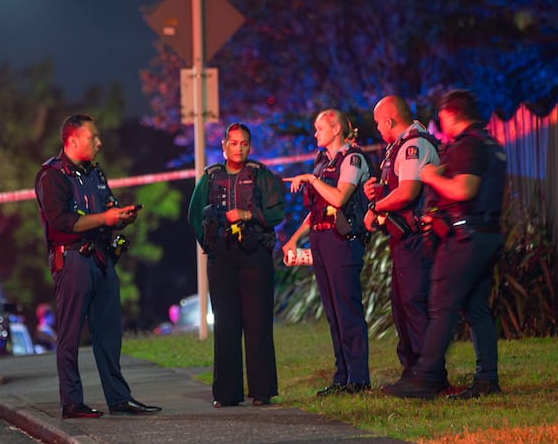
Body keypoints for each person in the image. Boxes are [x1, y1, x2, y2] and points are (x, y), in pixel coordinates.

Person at [383, 89, 507, 400]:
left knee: (441, 306)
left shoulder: (468, 144)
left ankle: (425, 378)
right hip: (487, 233)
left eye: (442, 116)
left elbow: (463, 189)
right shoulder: (489, 144)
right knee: (476, 308)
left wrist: (429, 176)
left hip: (465, 237)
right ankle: (487, 379)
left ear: (451, 113)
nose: (440, 122)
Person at [34, 114, 161, 419]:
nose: (99, 143)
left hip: (102, 258)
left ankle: (119, 398)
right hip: (73, 259)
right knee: (70, 334)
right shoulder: (51, 176)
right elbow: (61, 222)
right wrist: (106, 218)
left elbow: (107, 207)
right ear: (72, 139)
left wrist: (120, 217)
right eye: (93, 137)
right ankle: (72, 403)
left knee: (109, 333)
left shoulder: (95, 173)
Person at [188, 122, 286, 407]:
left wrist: (247, 215)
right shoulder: (210, 177)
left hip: (254, 253)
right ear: (224, 146)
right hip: (221, 257)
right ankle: (226, 394)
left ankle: (262, 391)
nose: (239, 148)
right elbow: (194, 215)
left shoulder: (260, 174)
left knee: (258, 323)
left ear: (249, 146)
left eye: (244, 143)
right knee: (225, 325)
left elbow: (277, 211)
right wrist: (209, 243)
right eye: (233, 143)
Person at [282, 109, 372, 395]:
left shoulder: (352, 159)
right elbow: (317, 209)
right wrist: (294, 239)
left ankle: (358, 379)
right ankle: (341, 377)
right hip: (321, 239)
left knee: (347, 310)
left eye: (320, 128)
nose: (315, 133)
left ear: (336, 130)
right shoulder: (322, 162)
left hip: (342, 240)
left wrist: (311, 179)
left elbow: (340, 197)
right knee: (333, 312)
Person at [362, 95, 441, 381]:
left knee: (415, 304)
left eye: (378, 123)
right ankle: (412, 372)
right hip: (403, 239)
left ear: (389, 120)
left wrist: (375, 208)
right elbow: (397, 188)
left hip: (416, 239)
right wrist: (378, 192)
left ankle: (428, 376)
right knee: (402, 305)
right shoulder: (398, 147)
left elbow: (408, 192)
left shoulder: (413, 145)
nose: (377, 129)